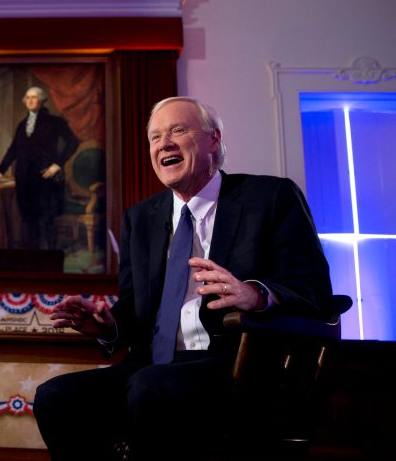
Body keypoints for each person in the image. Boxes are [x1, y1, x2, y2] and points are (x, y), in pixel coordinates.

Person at [33, 97, 333, 459]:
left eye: (178, 130)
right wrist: (106, 326)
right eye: (156, 137)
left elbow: (314, 289)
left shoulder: (269, 197)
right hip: (153, 365)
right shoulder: (140, 218)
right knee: (56, 397)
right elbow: (134, 309)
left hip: (234, 366)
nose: (165, 143)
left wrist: (254, 295)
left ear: (214, 140)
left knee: (149, 388)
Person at [0, 86, 79, 250]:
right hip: (24, 179)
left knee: (47, 220)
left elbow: (73, 142)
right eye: (27, 97)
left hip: (45, 178)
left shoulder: (55, 121)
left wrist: (57, 164)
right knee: (28, 220)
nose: (30, 100)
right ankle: (31, 261)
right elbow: (13, 150)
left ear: (42, 100)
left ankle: (51, 260)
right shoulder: (22, 125)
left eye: (34, 97)